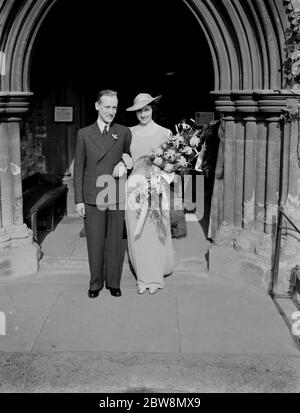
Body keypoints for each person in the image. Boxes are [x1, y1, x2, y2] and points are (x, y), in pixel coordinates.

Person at [74, 89, 132, 298]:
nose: (111, 111)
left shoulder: (123, 132)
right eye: (107, 106)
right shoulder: (84, 133)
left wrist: (124, 165)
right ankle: (95, 283)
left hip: (115, 192)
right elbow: (79, 168)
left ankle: (113, 282)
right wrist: (78, 200)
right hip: (92, 195)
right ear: (97, 106)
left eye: (114, 107)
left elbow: (128, 158)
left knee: (115, 240)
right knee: (95, 240)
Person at [125, 93, 175, 294]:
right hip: (133, 189)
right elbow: (125, 159)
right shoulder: (128, 133)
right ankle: (142, 278)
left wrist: (160, 179)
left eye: (146, 109)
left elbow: (170, 166)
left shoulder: (165, 133)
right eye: (139, 110)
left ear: (152, 109)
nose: (143, 114)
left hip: (156, 187)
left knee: (155, 233)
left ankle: (154, 279)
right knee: (138, 233)